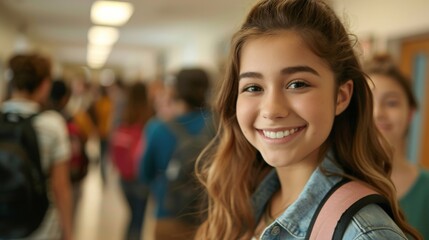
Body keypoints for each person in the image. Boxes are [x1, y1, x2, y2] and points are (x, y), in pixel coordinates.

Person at [193, 0, 421, 239]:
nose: (271, 110)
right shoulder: (247, 202)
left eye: (297, 84)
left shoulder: (363, 233)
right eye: (253, 87)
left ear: (341, 97)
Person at [1, 53, 73, 240]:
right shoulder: (52, 124)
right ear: (44, 86)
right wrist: (68, 232)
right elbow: (60, 186)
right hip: (40, 226)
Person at [138, 68, 212, 240]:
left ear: (175, 90)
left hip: (168, 214)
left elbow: (144, 173)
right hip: (211, 217)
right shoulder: (220, 125)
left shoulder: (157, 128)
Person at [366, 54, 429, 239]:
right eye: (368, 102)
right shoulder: (333, 180)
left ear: (410, 114)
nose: (378, 113)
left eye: (391, 103)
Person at [110, 82, 152, 240]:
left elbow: (113, 140)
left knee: (132, 215)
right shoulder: (150, 116)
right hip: (141, 175)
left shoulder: (122, 114)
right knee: (138, 219)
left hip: (123, 176)